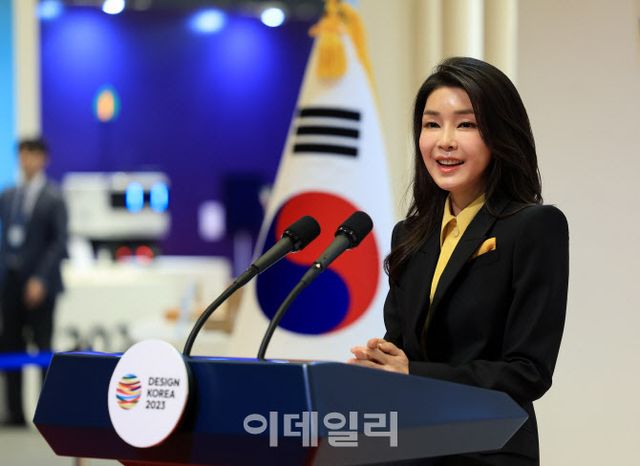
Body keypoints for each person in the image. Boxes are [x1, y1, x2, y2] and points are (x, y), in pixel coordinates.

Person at [349, 57, 569, 466]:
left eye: (466, 124)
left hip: (487, 450)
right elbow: (402, 348)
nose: (444, 141)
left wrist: (413, 372)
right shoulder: (409, 234)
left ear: (500, 133)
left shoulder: (534, 226)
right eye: (432, 124)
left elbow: (528, 372)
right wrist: (378, 365)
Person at [0, 137, 68, 426]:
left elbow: (59, 242)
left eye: (31, 155)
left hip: (41, 286)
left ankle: (47, 414)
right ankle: (14, 413)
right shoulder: (9, 195)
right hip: (10, 284)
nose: (25, 161)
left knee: (42, 347)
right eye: (22, 155)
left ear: (43, 159)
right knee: (10, 346)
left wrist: (40, 278)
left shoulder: (54, 197)